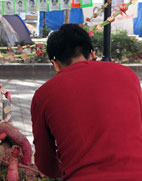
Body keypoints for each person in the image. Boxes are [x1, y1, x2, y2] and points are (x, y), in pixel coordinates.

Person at [31, 24, 142, 180]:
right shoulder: (129, 76)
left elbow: (45, 161)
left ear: (55, 64)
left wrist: (62, 171)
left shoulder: (44, 94)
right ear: (92, 54)